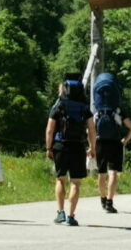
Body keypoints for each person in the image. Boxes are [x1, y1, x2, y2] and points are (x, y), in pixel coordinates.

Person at [45, 78, 96, 226]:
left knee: (60, 179)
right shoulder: (84, 108)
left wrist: (48, 148)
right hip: (78, 146)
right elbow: (92, 130)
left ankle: (60, 213)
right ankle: (71, 216)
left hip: (60, 145)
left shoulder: (58, 106)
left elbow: (49, 129)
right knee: (75, 182)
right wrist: (92, 147)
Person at [96, 105, 131, 214]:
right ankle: (109, 203)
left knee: (101, 172)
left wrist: (91, 145)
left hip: (100, 142)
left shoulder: (97, 109)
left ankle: (103, 199)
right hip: (115, 143)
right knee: (112, 173)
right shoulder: (118, 109)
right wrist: (125, 140)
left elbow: (89, 128)